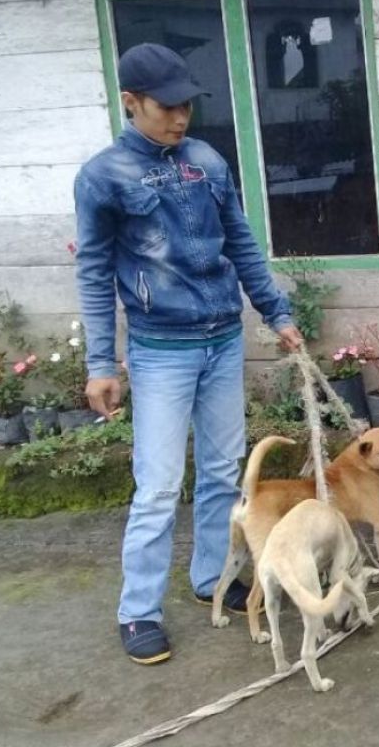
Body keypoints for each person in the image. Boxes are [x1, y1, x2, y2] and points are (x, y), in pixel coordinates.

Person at [73, 43, 303, 664]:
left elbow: (241, 241)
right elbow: (94, 273)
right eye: (166, 107)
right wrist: (101, 362)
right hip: (161, 351)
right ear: (131, 102)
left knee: (225, 475)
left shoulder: (206, 160)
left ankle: (213, 580)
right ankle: (138, 611)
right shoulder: (103, 176)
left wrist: (276, 311)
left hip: (223, 342)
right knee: (157, 486)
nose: (180, 118)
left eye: (187, 106)